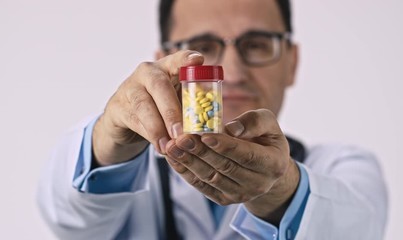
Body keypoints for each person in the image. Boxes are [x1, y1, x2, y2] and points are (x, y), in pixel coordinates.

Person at [37, 0, 388, 239]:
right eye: (202, 44)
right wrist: (106, 145)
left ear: (292, 62)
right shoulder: (136, 186)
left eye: (257, 44)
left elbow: (355, 227)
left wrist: (280, 191)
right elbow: (70, 220)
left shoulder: (344, 166)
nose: (232, 73)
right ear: (163, 62)